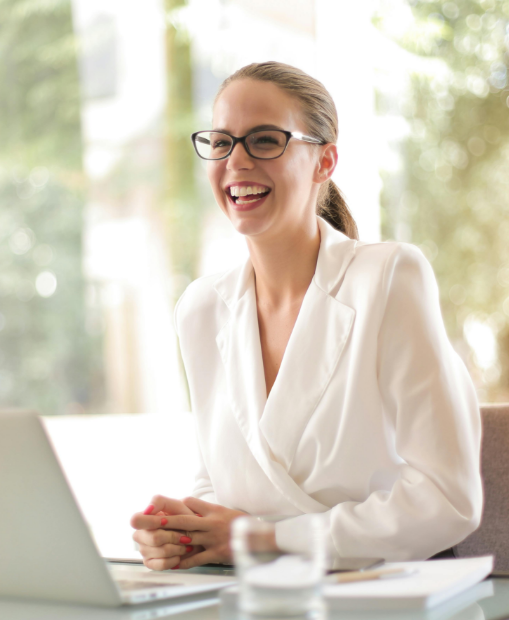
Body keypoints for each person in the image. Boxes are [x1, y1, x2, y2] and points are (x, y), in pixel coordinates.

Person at [130, 61, 482, 571]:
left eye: (265, 140)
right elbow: (220, 476)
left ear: (325, 161)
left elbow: (448, 499)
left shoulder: (387, 278)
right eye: (222, 141)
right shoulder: (201, 310)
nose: (237, 161)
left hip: (382, 589)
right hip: (262, 593)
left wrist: (265, 538)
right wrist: (184, 532)